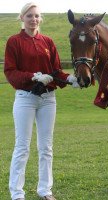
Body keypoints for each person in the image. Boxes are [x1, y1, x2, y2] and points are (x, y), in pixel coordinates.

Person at [4, 2, 79, 200]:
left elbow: (56, 71)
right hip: (25, 99)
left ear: (40, 18)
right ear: (22, 18)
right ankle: (17, 194)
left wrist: (70, 79)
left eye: (36, 16)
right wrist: (33, 77)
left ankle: (45, 190)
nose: (33, 19)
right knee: (22, 147)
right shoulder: (14, 41)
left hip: (48, 99)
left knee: (46, 147)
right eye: (29, 16)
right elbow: (10, 72)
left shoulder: (47, 41)